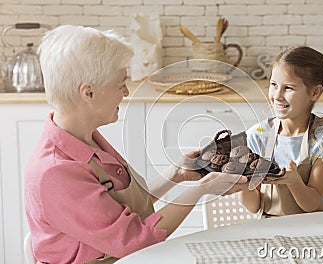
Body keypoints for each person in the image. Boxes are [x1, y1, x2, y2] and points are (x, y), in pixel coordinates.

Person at [24, 25, 248, 264]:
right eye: (120, 85)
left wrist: (177, 174)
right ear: (88, 93)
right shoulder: (57, 172)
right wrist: (201, 190)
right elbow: (136, 240)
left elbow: (119, 212)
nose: (127, 92)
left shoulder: (86, 139)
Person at [239, 46, 323, 217]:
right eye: (273, 85)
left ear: (315, 92)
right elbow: (254, 206)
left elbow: (311, 204)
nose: (277, 95)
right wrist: (242, 183)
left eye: (288, 88)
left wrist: (293, 181)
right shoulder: (258, 136)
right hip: (273, 227)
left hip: (322, 225)